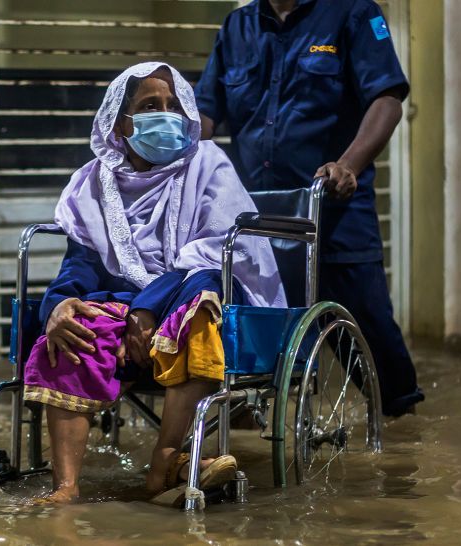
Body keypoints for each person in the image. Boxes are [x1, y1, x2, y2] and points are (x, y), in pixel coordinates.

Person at [21, 62, 287, 505]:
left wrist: (147, 308)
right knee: (72, 333)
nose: (165, 115)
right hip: (124, 303)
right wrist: (59, 306)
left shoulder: (208, 165)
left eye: (173, 105)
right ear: (121, 124)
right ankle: (65, 487)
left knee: (197, 316)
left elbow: (218, 256)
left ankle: (164, 460)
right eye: (149, 106)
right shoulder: (92, 184)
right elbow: (81, 267)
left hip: (199, 290)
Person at [195, 0, 424, 417]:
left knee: (373, 348)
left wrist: (348, 165)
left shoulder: (352, 13)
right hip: (256, 224)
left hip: (333, 214)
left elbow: (387, 99)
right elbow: (206, 111)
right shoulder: (237, 27)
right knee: (251, 361)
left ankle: (402, 443)